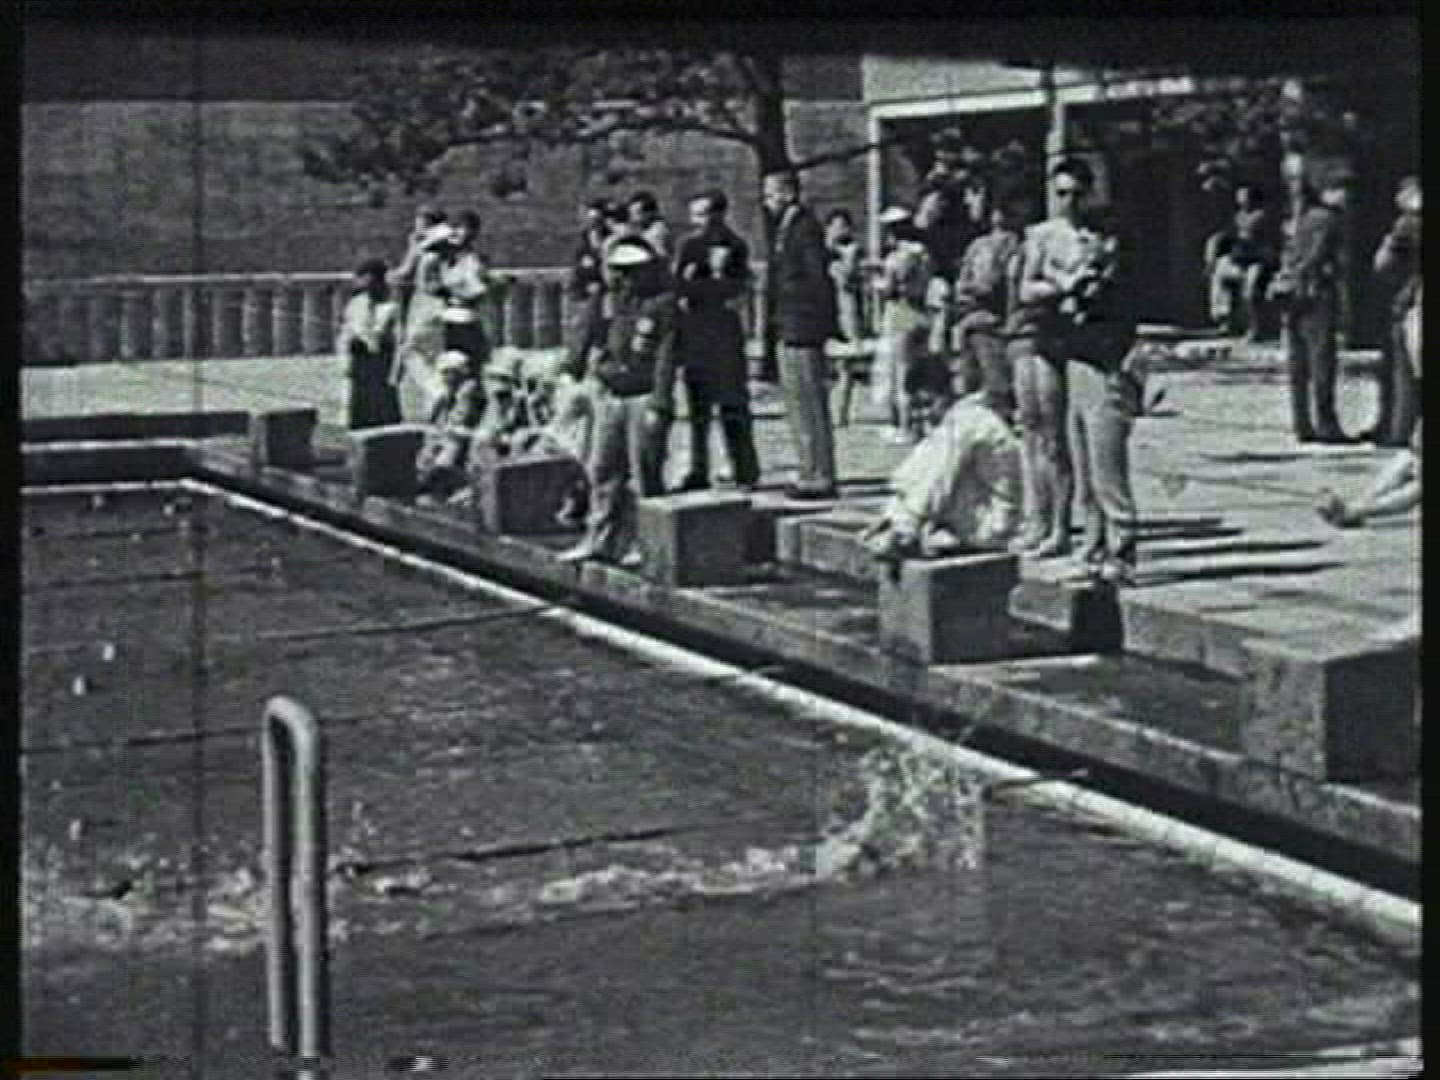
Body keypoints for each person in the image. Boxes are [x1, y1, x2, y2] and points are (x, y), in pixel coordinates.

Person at [559, 239, 678, 566]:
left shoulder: (663, 304)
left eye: (631, 272)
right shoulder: (608, 300)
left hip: (643, 395)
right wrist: (571, 369)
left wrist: (660, 403)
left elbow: (666, 357)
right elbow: (585, 333)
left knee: (645, 473)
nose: (624, 279)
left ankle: (646, 543)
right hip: (611, 393)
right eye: (619, 271)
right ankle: (599, 539)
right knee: (602, 469)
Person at [1007, 158, 1101, 559]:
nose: (1069, 202)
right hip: (1040, 333)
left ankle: (1062, 527)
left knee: (1060, 437)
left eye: (1076, 194)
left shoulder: (1095, 237)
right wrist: (1063, 284)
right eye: (1062, 193)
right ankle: (1039, 520)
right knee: (1033, 430)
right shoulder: (1041, 235)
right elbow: (1025, 289)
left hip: (1075, 339)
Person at [859, 377, 1022, 572]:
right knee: (927, 456)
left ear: (947, 395)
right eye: (917, 408)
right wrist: (890, 514)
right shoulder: (955, 420)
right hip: (980, 515)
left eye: (929, 404)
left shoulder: (969, 421)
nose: (924, 413)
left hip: (1000, 524)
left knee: (940, 464)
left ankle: (904, 528)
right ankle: (901, 523)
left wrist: (905, 522)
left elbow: (940, 478)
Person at [1061, 202, 1142, 587]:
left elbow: (1117, 334)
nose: (1081, 245)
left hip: (1104, 374)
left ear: (1109, 242)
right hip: (1078, 370)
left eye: (1087, 238)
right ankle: (1092, 546)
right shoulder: (1086, 281)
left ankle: (1122, 549)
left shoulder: (1122, 283)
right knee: (1084, 471)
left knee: (1107, 470)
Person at [672, 188, 760, 492]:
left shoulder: (735, 246)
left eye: (703, 214)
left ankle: (745, 470)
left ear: (719, 214)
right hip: (696, 330)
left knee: (732, 403)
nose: (698, 222)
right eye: (694, 215)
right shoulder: (689, 246)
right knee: (698, 408)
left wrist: (713, 281)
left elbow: (736, 290)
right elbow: (679, 286)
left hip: (724, 332)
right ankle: (699, 469)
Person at [763, 168, 840, 500]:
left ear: (788, 193)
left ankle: (819, 474)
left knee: (808, 402)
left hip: (802, 325)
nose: (766, 202)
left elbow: (816, 277)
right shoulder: (786, 227)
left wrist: (817, 321)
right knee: (796, 403)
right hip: (788, 324)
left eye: (770, 195)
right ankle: (808, 467)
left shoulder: (804, 227)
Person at [1268, 165, 1350, 444]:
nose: (1344, 195)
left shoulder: (1301, 218)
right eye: (1340, 189)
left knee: (1298, 362)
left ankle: (1301, 423)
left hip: (1292, 295)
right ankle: (1327, 425)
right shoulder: (1328, 219)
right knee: (1322, 360)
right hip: (1317, 294)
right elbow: (1318, 257)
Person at [952, 195, 1026, 422]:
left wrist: (971, 289)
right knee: (977, 384)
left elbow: (993, 284)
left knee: (995, 386)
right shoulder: (979, 245)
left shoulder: (1013, 245)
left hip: (993, 322)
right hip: (976, 322)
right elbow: (964, 282)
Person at [870, 206, 933, 445]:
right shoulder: (924, 254)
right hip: (920, 313)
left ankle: (904, 426)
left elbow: (890, 288)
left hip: (900, 314)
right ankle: (917, 422)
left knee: (899, 374)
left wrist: (876, 284)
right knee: (914, 371)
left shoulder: (899, 257)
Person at [1368, 176, 1421, 447]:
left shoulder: (1407, 225)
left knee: (1403, 370)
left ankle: (1399, 429)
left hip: (1409, 301)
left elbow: (1383, 265)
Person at [394, 220, 455, 421]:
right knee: (434, 358)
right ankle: (436, 405)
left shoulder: (430, 260)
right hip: (442, 313)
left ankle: (435, 391)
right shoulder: (450, 261)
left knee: (410, 352)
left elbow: (430, 286)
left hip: (426, 311)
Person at [1204, 183, 1277, 341]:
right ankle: (1225, 320)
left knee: (1251, 289)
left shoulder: (1262, 217)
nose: (1241, 200)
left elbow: (1252, 240)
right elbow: (1229, 234)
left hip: (1258, 261)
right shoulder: (1239, 216)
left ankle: (1256, 327)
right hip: (1239, 260)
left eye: (1244, 196)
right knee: (1219, 276)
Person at [335, 256, 402, 430]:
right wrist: (344, 360)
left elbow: (393, 335)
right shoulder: (356, 303)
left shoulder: (392, 305)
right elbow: (347, 332)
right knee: (360, 404)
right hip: (359, 359)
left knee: (383, 402)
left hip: (381, 360)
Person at [436, 210, 506, 374]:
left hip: (467, 318)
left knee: (470, 367)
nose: (456, 233)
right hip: (447, 319)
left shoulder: (475, 260)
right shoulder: (442, 258)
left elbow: (478, 290)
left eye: (462, 228)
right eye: (455, 228)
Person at [415, 350, 483, 503]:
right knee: (426, 455)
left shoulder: (469, 391)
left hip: (461, 439)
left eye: (448, 372)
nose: (444, 377)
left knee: (444, 458)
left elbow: (460, 419)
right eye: (443, 373)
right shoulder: (446, 394)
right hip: (445, 437)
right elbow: (431, 421)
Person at [825, 209, 868, 427]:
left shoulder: (852, 251)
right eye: (837, 226)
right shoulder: (819, 250)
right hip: (823, 311)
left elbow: (849, 280)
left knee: (846, 364)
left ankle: (840, 412)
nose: (842, 230)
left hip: (847, 311)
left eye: (845, 226)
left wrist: (848, 259)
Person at [567, 198, 615, 374]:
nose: (594, 225)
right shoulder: (582, 242)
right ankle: (576, 367)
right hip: (587, 296)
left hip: (607, 295)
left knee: (604, 335)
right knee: (583, 331)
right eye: (591, 221)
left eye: (598, 221)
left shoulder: (611, 239)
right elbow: (578, 269)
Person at [389, 204, 446, 327]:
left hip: (429, 297)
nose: (417, 222)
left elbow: (406, 270)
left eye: (420, 218)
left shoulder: (426, 241)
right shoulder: (444, 238)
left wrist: (388, 275)